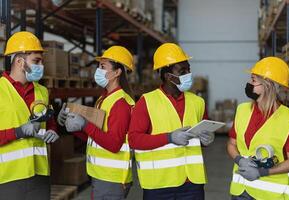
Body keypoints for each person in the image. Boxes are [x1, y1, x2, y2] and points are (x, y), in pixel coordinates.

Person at [128, 43, 215, 200]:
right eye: (183, 71)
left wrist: (207, 140)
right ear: (168, 76)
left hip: (192, 184)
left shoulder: (197, 102)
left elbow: (203, 131)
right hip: (159, 185)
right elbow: (134, 140)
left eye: (188, 69)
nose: (188, 74)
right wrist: (169, 138)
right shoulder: (146, 101)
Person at [57, 46, 135, 200]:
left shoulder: (120, 103)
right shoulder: (104, 99)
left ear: (117, 72)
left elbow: (113, 144)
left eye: (103, 66)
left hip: (112, 179)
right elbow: (95, 139)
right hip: (100, 176)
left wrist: (85, 124)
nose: (98, 70)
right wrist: (73, 126)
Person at [227, 56, 289, 200]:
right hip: (240, 192)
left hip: (273, 195)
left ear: (268, 85)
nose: (249, 83)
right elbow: (231, 143)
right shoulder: (242, 110)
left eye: (253, 80)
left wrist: (262, 172)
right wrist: (239, 159)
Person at [0, 31, 59, 200]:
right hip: (7, 178)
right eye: (36, 61)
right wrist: (18, 132)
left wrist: (53, 131)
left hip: (40, 175)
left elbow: (50, 122)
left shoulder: (42, 91)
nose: (41, 66)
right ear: (19, 62)